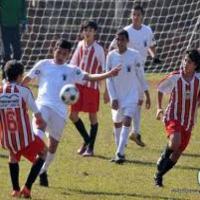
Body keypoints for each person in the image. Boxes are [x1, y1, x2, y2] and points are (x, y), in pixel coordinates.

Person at [22, 39, 120, 187]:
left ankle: (43, 171)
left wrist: (109, 74)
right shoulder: (43, 64)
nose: (61, 55)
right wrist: (14, 88)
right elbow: (26, 80)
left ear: (68, 55)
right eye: (59, 51)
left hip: (60, 113)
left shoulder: (71, 69)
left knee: (53, 146)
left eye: (64, 53)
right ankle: (35, 156)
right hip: (42, 106)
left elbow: (90, 77)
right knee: (39, 135)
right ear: (53, 49)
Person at [109, 4, 161, 147]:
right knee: (126, 101)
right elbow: (112, 47)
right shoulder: (126, 31)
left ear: (142, 16)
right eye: (134, 14)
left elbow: (151, 45)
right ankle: (121, 129)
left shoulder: (147, 30)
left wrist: (154, 56)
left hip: (139, 70)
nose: (136, 17)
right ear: (131, 16)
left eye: (138, 14)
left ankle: (134, 132)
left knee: (138, 101)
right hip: (125, 72)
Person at [0, 60, 46, 198]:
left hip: (7, 137)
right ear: (20, 76)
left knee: (13, 155)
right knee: (43, 153)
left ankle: (15, 190)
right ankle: (27, 187)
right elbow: (37, 115)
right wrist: (41, 123)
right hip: (25, 137)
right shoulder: (24, 91)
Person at [154, 49, 200, 187]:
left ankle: (159, 175)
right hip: (173, 115)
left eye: (189, 62)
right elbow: (160, 89)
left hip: (189, 120)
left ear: (196, 65)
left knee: (178, 153)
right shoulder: (175, 77)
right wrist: (159, 108)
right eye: (185, 60)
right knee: (174, 143)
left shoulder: (199, 79)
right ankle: (163, 156)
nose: (186, 64)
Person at [106, 30, 151, 164]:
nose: (119, 42)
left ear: (127, 41)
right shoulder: (110, 56)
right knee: (117, 123)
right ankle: (120, 149)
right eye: (117, 39)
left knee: (127, 120)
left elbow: (141, 76)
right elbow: (108, 79)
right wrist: (113, 97)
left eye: (122, 39)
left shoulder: (134, 55)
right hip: (117, 96)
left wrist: (147, 94)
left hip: (131, 95)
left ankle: (119, 154)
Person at [69, 20, 106, 157]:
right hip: (77, 86)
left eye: (90, 30)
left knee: (92, 117)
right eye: (85, 30)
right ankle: (87, 140)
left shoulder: (99, 49)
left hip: (92, 87)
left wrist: (106, 91)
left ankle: (90, 147)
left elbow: (104, 70)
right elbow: (73, 64)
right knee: (73, 115)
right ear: (82, 32)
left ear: (95, 32)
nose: (88, 32)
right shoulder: (79, 45)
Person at [0, 0, 27, 79]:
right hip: (4, 26)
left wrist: (24, 21)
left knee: (18, 52)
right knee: (6, 53)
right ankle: (5, 76)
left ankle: (15, 75)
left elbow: (23, 8)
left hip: (16, 26)